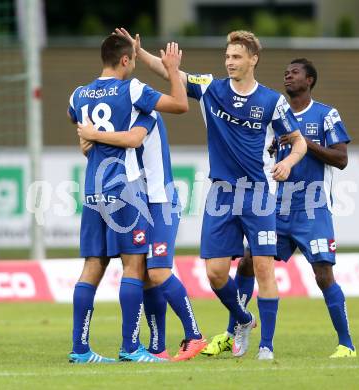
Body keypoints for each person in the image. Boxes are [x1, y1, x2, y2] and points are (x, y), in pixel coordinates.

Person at [116, 28, 307, 360]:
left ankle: (267, 346)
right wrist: (139, 53)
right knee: (215, 273)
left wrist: (289, 161)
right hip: (221, 194)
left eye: (236, 57)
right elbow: (169, 71)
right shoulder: (211, 89)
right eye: (227, 56)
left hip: (259, 193)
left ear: (253, 59)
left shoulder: (272, 101)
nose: (229, 62)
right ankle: (245, 320)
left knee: (263, 267)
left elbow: (298, 140)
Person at [203, 58, 356, 359]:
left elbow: (341, 159)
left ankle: (346, 344)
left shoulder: (326, 114)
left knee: (323, 274)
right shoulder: (277, 116)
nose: (288, 75)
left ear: (309, 80)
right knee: (248, 263)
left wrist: (305, 144)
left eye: (295, 72)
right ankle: (234, 331)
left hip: (313, 208)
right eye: (285, 72)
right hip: (278, 207)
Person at [67, 34, 188, 364]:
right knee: (134, 265)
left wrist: (91, 139)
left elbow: (82, 132)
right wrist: (172, 69)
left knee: (93, 264)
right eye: (132, 59)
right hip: (124, 189)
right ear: (125, 60)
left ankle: (80, 349)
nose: (133, 64)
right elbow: (180, 104)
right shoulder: (131, 89)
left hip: (93, 187)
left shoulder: (78, 94)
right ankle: (131, 347)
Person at [78, 110, 207, 361]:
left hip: (160, 201)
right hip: (135, 201)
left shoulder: (144, 115)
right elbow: (90, 150)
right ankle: (157, 347)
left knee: (157, 270)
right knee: (146, 274)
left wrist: (93, 135)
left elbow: (132, 141)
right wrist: (90, 141)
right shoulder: (115, 119)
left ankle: (194, 335)